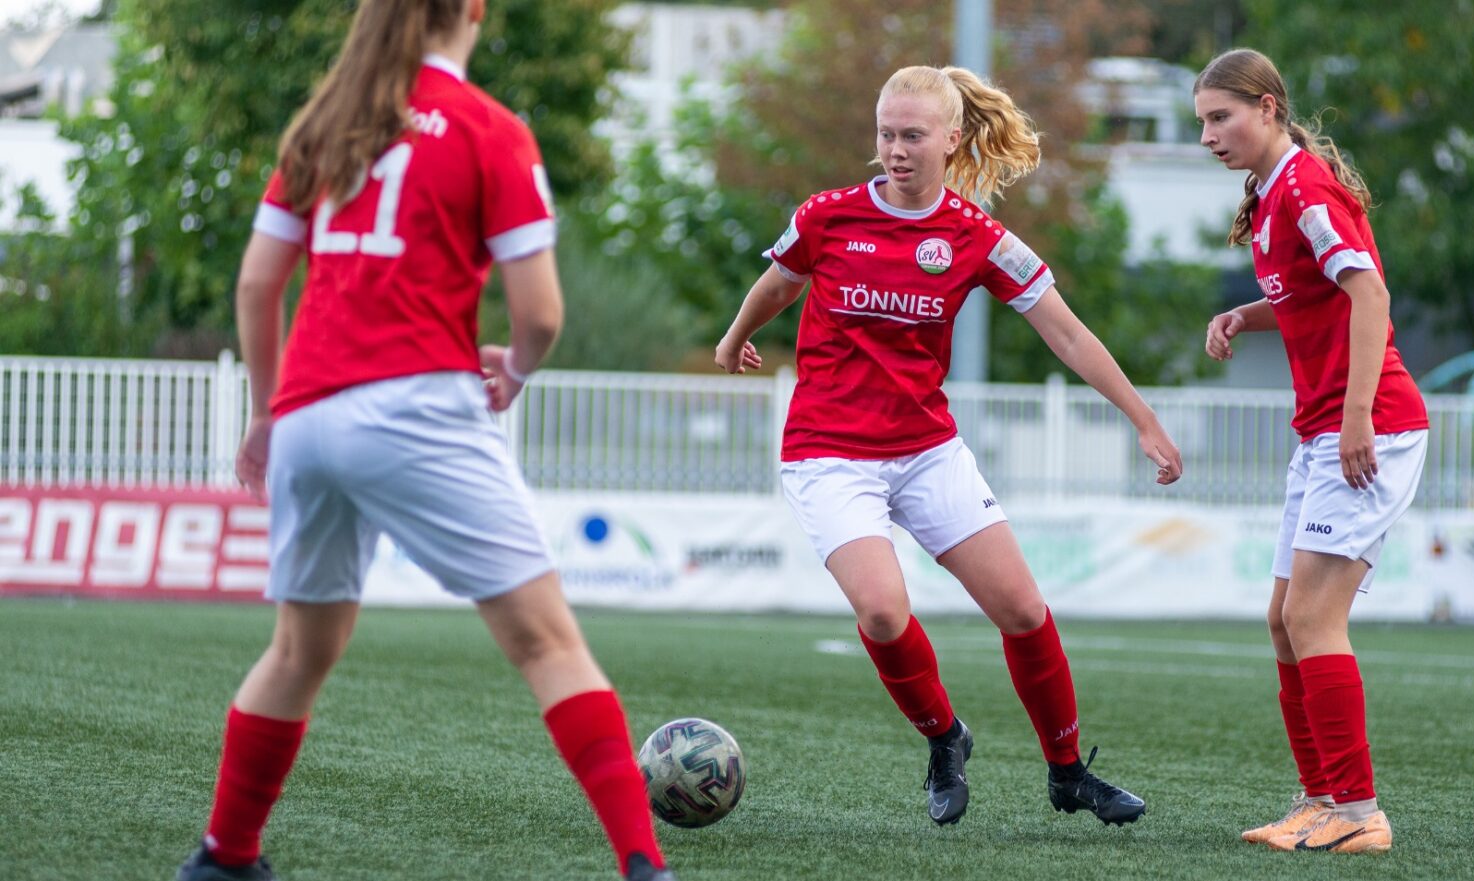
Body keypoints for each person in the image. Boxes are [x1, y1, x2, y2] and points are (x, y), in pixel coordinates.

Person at [174, 2, 673, 879]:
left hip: (308, 417)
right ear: (473, 9)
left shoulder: (325, 121)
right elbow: (542, 314)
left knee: (298, 650)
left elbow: (257, 285)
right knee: (548, 644)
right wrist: (515, 367)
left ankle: (225, 854)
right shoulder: (491, 129)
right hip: (413, 405)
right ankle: (644, 864)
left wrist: (265, 411)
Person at [714, 65, 1184, 829]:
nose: (895, 150)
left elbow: (1064, 329)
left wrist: (1143, 418)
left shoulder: (975, 236)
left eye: (912, 135)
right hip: (828, 452)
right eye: (886, 135)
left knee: (1024, 610)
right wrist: (736, 338)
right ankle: (945, 737)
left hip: (928, 450)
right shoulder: (827, 216)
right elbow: (777, 284)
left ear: (952, 139)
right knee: (882, 614)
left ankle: (1067, 772)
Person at [1195, 48, 1429, 854]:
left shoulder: (1302, 185)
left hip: (1368, 429)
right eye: (1201, 121)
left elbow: (1369, 292)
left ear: (1267, 109)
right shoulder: (1270, 194)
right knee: (1283, 619)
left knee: (1311, 615)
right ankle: (1321, 798)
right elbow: (1310, 290)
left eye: (1219, 116)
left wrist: (1358, 414)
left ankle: (1360, 813)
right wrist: (1243, 318)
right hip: (1324, 431)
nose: (1207, 135)